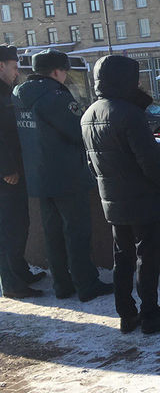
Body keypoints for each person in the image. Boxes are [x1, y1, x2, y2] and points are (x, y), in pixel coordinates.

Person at [80, 55, 160, 334]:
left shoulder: (89, 113)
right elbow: (150, 162)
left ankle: (127, 315)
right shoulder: (129, 113)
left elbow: (92, 164)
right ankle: (151, 314)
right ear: (123, 79)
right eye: (135, 77)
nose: (139, 82)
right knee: (147, 257)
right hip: (142, 199)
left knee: (123, 257)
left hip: (113, 199)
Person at [12, 49, 113, 302]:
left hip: (38, 177)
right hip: (67, 176)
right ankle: (87, 284)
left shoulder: (18, 93)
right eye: (65, 70)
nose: (66, 75)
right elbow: (78, 132)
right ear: (56, 71)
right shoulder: (55, 96)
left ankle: (62, 285)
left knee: (52, 233)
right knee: (77, 232)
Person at [0, 45, 44, 299]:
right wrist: (7, 169)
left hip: (14, 170)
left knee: (20, 223)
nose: (17, 72)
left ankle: (20, 271)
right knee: (9, 228)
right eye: (14, 67)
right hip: (7, 174)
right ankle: (12, 283)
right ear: (1, 66)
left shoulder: (7, 91)